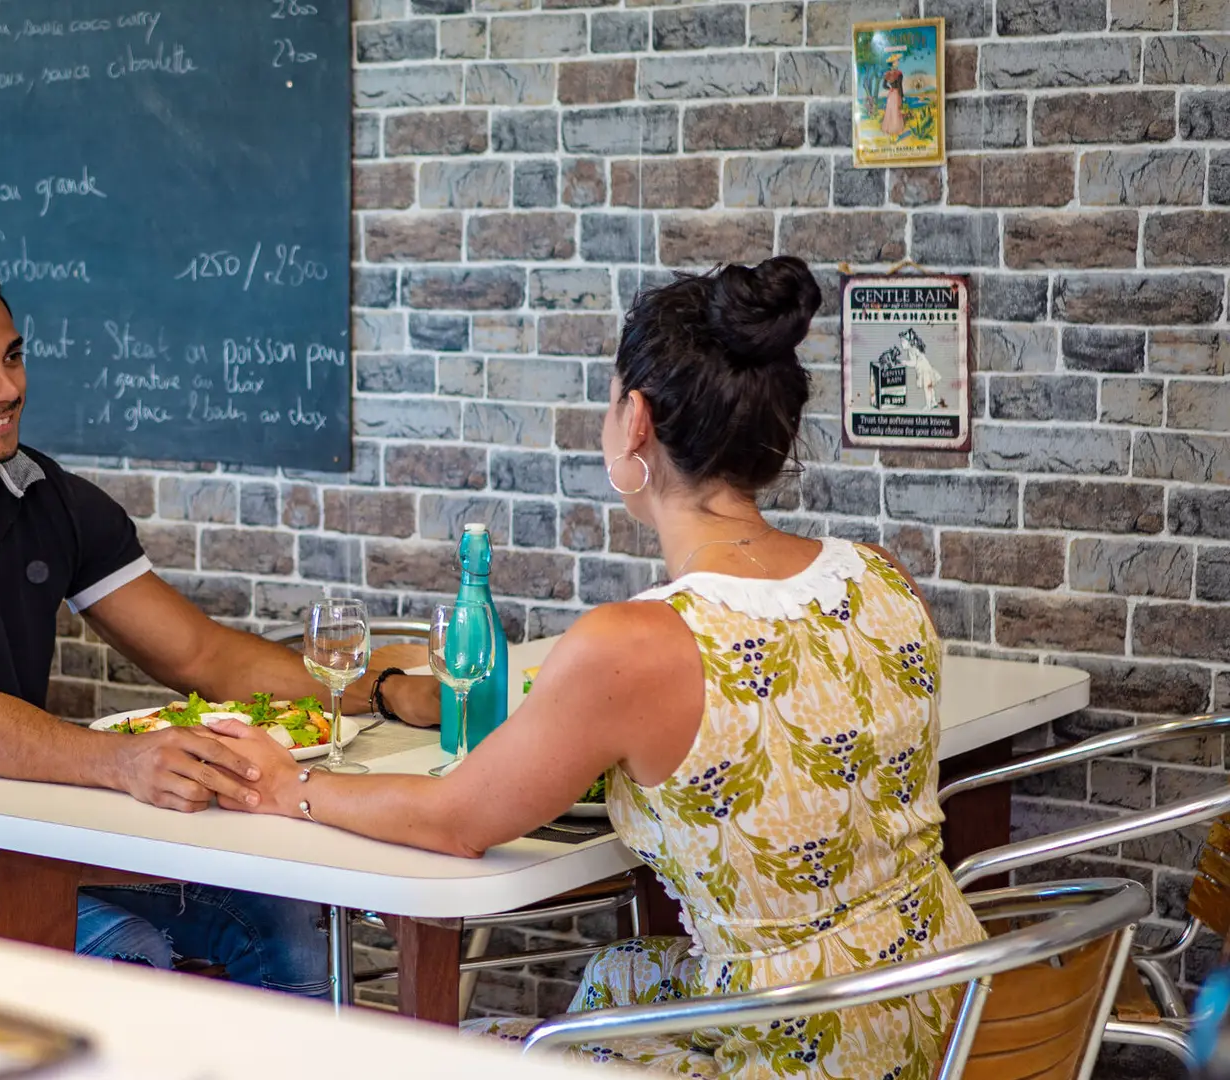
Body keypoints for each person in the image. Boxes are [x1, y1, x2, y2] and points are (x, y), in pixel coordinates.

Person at [208, 255, 986, 1074]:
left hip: (801, 1045)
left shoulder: (634, 643)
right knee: (615, 979)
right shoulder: (881, 575)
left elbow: (455, 821)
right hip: (951, 1002)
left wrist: (281, 784)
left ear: (636, 421)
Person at [0, 244, 439, 996]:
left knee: (285, 924)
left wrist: (378, 691)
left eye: (12, 357)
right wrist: (121, 763)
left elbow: (201, 654)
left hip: (35, 838)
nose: (6, 387)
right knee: (126, 950)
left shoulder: (43, 497)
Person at [881, 53, 906, 138]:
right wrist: (902, 96)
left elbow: (884, 85)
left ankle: (888, 129)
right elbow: (900, 86)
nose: (898, 62)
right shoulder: (899, 73)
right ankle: (896, 129)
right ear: (893, 63)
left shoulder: (888, 73)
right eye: (896, 61)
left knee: (890, 111)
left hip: (891, 94)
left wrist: (889, 89)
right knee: (896, 111)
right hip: (896, 94)